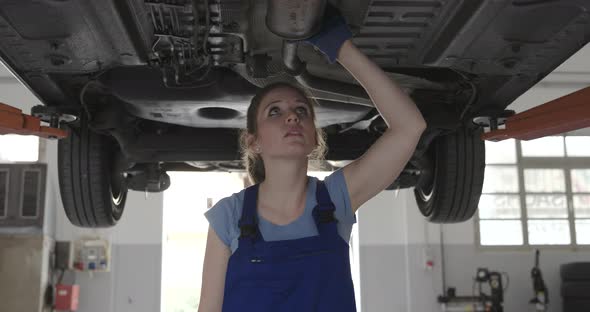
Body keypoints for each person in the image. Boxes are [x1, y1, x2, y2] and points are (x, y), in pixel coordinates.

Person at [198, 7, 427, 312]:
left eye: (301, 111)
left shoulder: (335, 200)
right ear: (253, 141)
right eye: (275, 112)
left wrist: (341, 48)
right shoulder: (229, 216)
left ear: (315, 138)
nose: (292, 116)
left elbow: (410, 126)